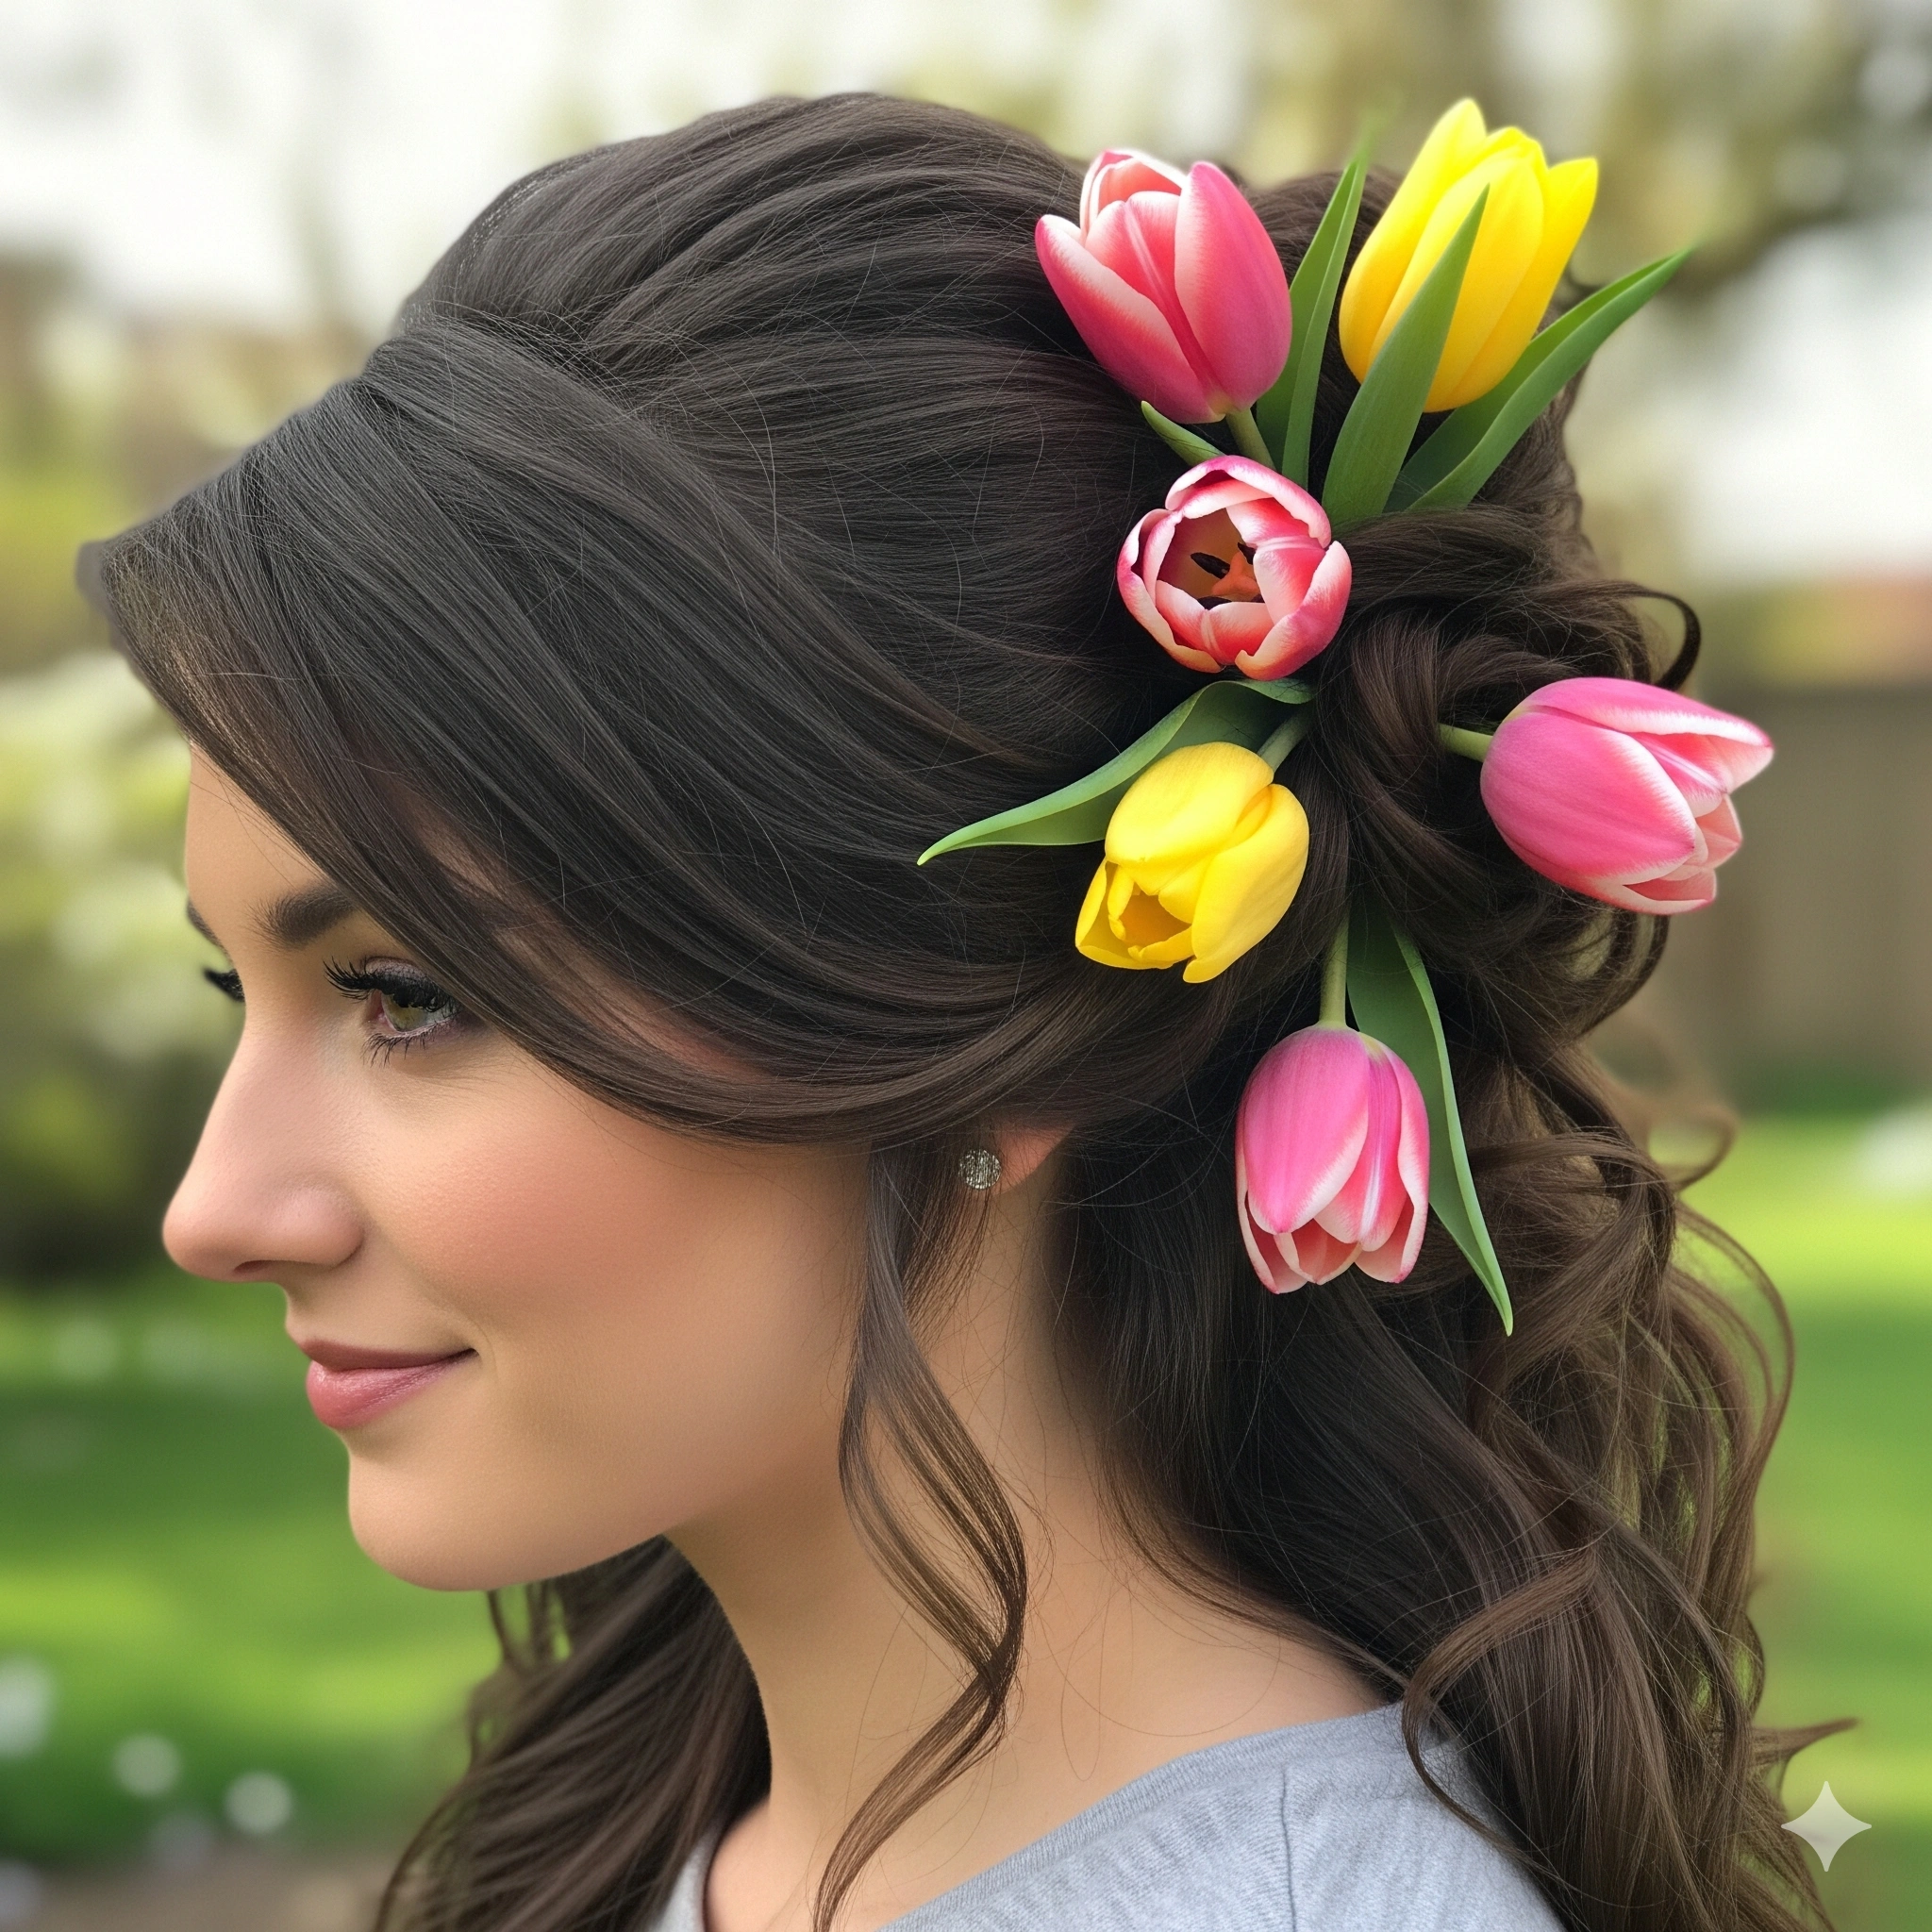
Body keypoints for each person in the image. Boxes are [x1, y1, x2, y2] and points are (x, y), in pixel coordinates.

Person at [86, 92, 1830, 1932]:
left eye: (409, 996)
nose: (214, 1210)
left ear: (996, 1020)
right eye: (237, 987)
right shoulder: (669, 1837)